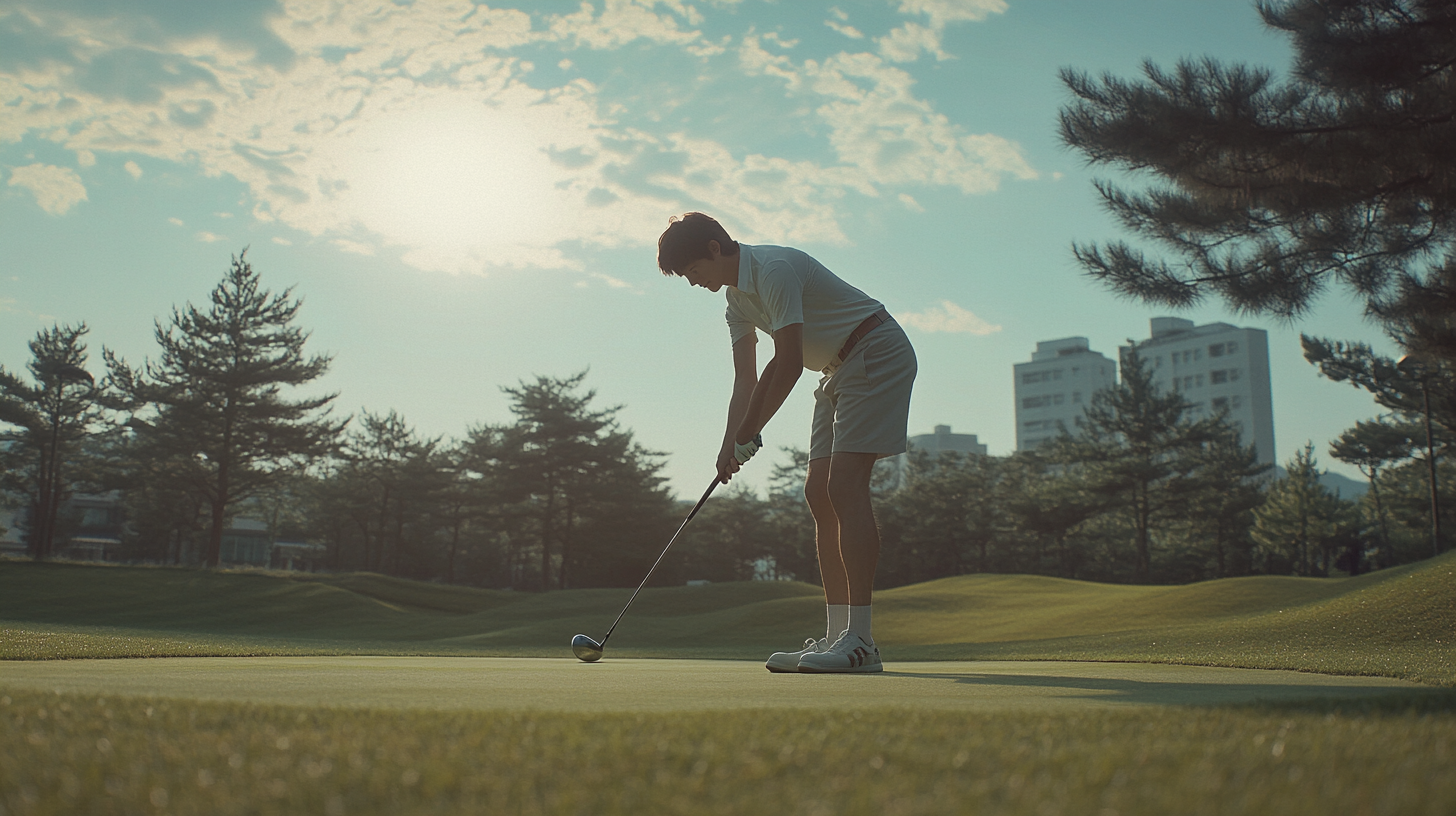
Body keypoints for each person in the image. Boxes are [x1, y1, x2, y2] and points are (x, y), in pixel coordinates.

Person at [656, 212, 917, 674]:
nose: (693, 282)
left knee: (844, 486)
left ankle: (862, 641)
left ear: (715, 248)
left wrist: (749, 432)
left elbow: (790, 363)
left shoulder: (773, 269)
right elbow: (746, 380)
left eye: (693, 270)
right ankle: (838, 636)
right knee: (818, 492)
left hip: (875, 348)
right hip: (837, 369)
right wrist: (727, 446)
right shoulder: (736, 303)